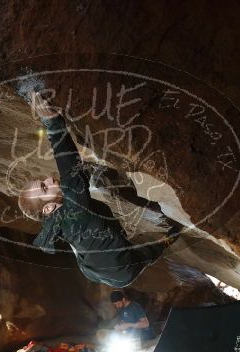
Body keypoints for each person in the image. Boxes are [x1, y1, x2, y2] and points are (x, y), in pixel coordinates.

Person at [18, 91, 179, 288]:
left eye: (43, 181)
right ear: (48, 208)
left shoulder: (55, 219)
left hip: (89, 269)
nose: (49, 179)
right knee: (151, 251)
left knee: (82, 192)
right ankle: (169, 239)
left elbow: (75, 185)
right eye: (44, 187)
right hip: (122, 272)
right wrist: (53, 124)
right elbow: (69, 170)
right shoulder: (73, 214)